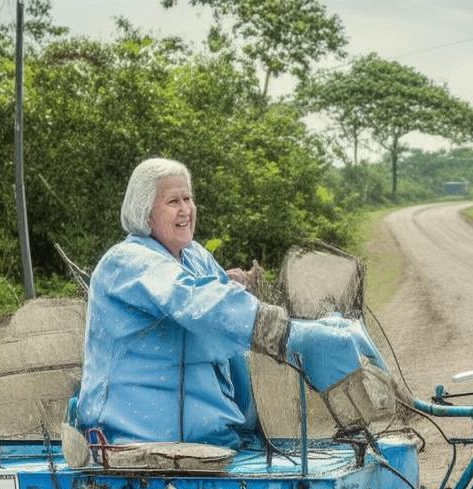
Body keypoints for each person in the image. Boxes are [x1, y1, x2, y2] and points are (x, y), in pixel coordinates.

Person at [76, 157, 381, 448]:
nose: (185, 210)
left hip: (211, 439)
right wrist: (285, 333)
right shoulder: (127, 262)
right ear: (145, 212)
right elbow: (199, 301)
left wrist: (319, 328)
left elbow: (232, 317)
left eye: (188, 199)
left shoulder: (194, 256)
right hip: (137, 443)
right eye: (173, 202)